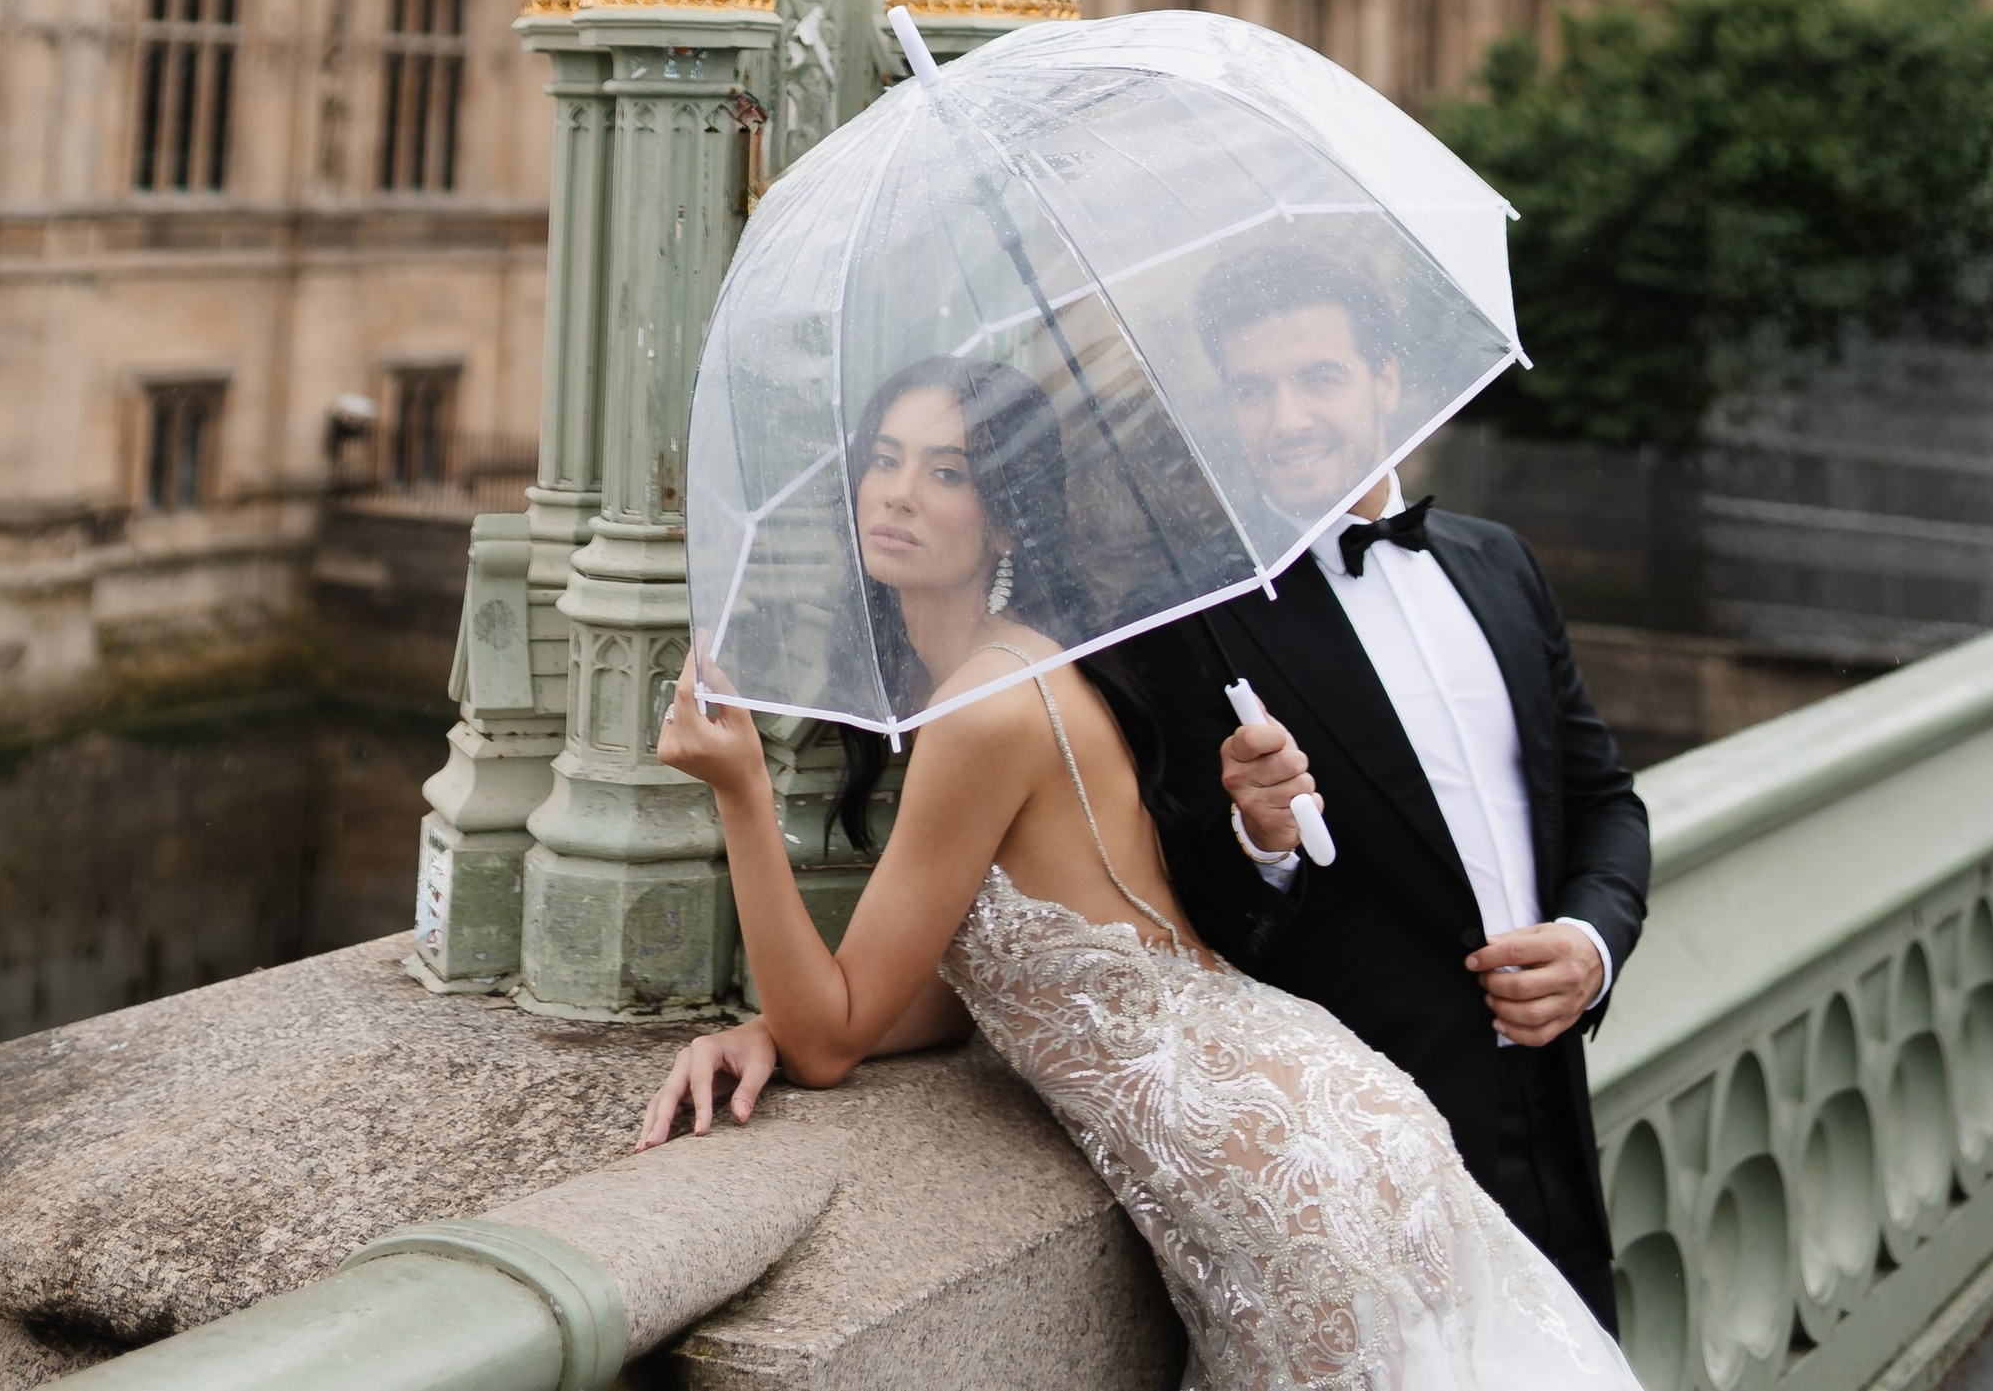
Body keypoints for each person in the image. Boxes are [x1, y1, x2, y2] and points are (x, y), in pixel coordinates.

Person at [642, 353, 1635, 1390]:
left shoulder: (986, 705)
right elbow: (953, 982)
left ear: (1009, 516)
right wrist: (780, 1018)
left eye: (947, 470)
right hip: (1314, 1112)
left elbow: (829, 1040)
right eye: (885, 458)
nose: (896, 489)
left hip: (1279, 1163)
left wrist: (742, 795)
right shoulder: (1013, 669)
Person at [1129, 241, 1652, 1331]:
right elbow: (1199, 921)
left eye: (1316, 376)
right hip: (1372, 1139)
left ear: (1386, 378)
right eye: (1252, 388)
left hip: (1554, 1108)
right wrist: (1258, 833)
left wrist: (1591, 945)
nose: (1285, 416)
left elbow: (1604, 800)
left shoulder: (1498, 560)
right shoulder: (1200, 623)